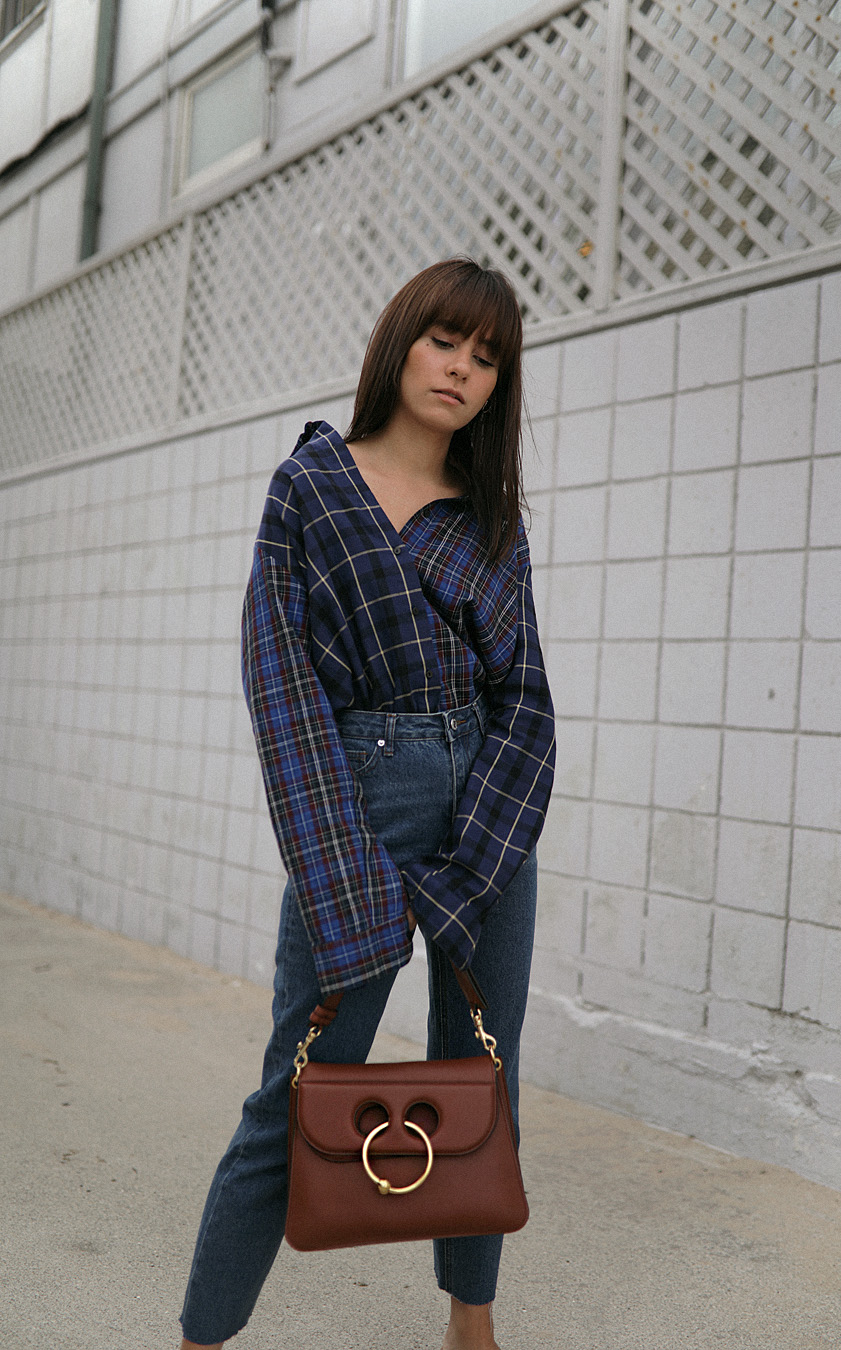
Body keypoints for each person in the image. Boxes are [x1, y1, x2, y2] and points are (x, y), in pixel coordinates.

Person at [178, 258, 555, 1350]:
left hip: (486, 794)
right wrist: (342, 864)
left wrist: (473, 865)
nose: (464, 371)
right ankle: (204, 1336)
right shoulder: (312, 487)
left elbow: (524, 696)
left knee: (486, 1069)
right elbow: (279, 677)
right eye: (447, 342)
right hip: (360, 784)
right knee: (301, 1080)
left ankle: (471, 1322)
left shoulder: (490, 518)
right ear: (402, 343)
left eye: (489, 359)